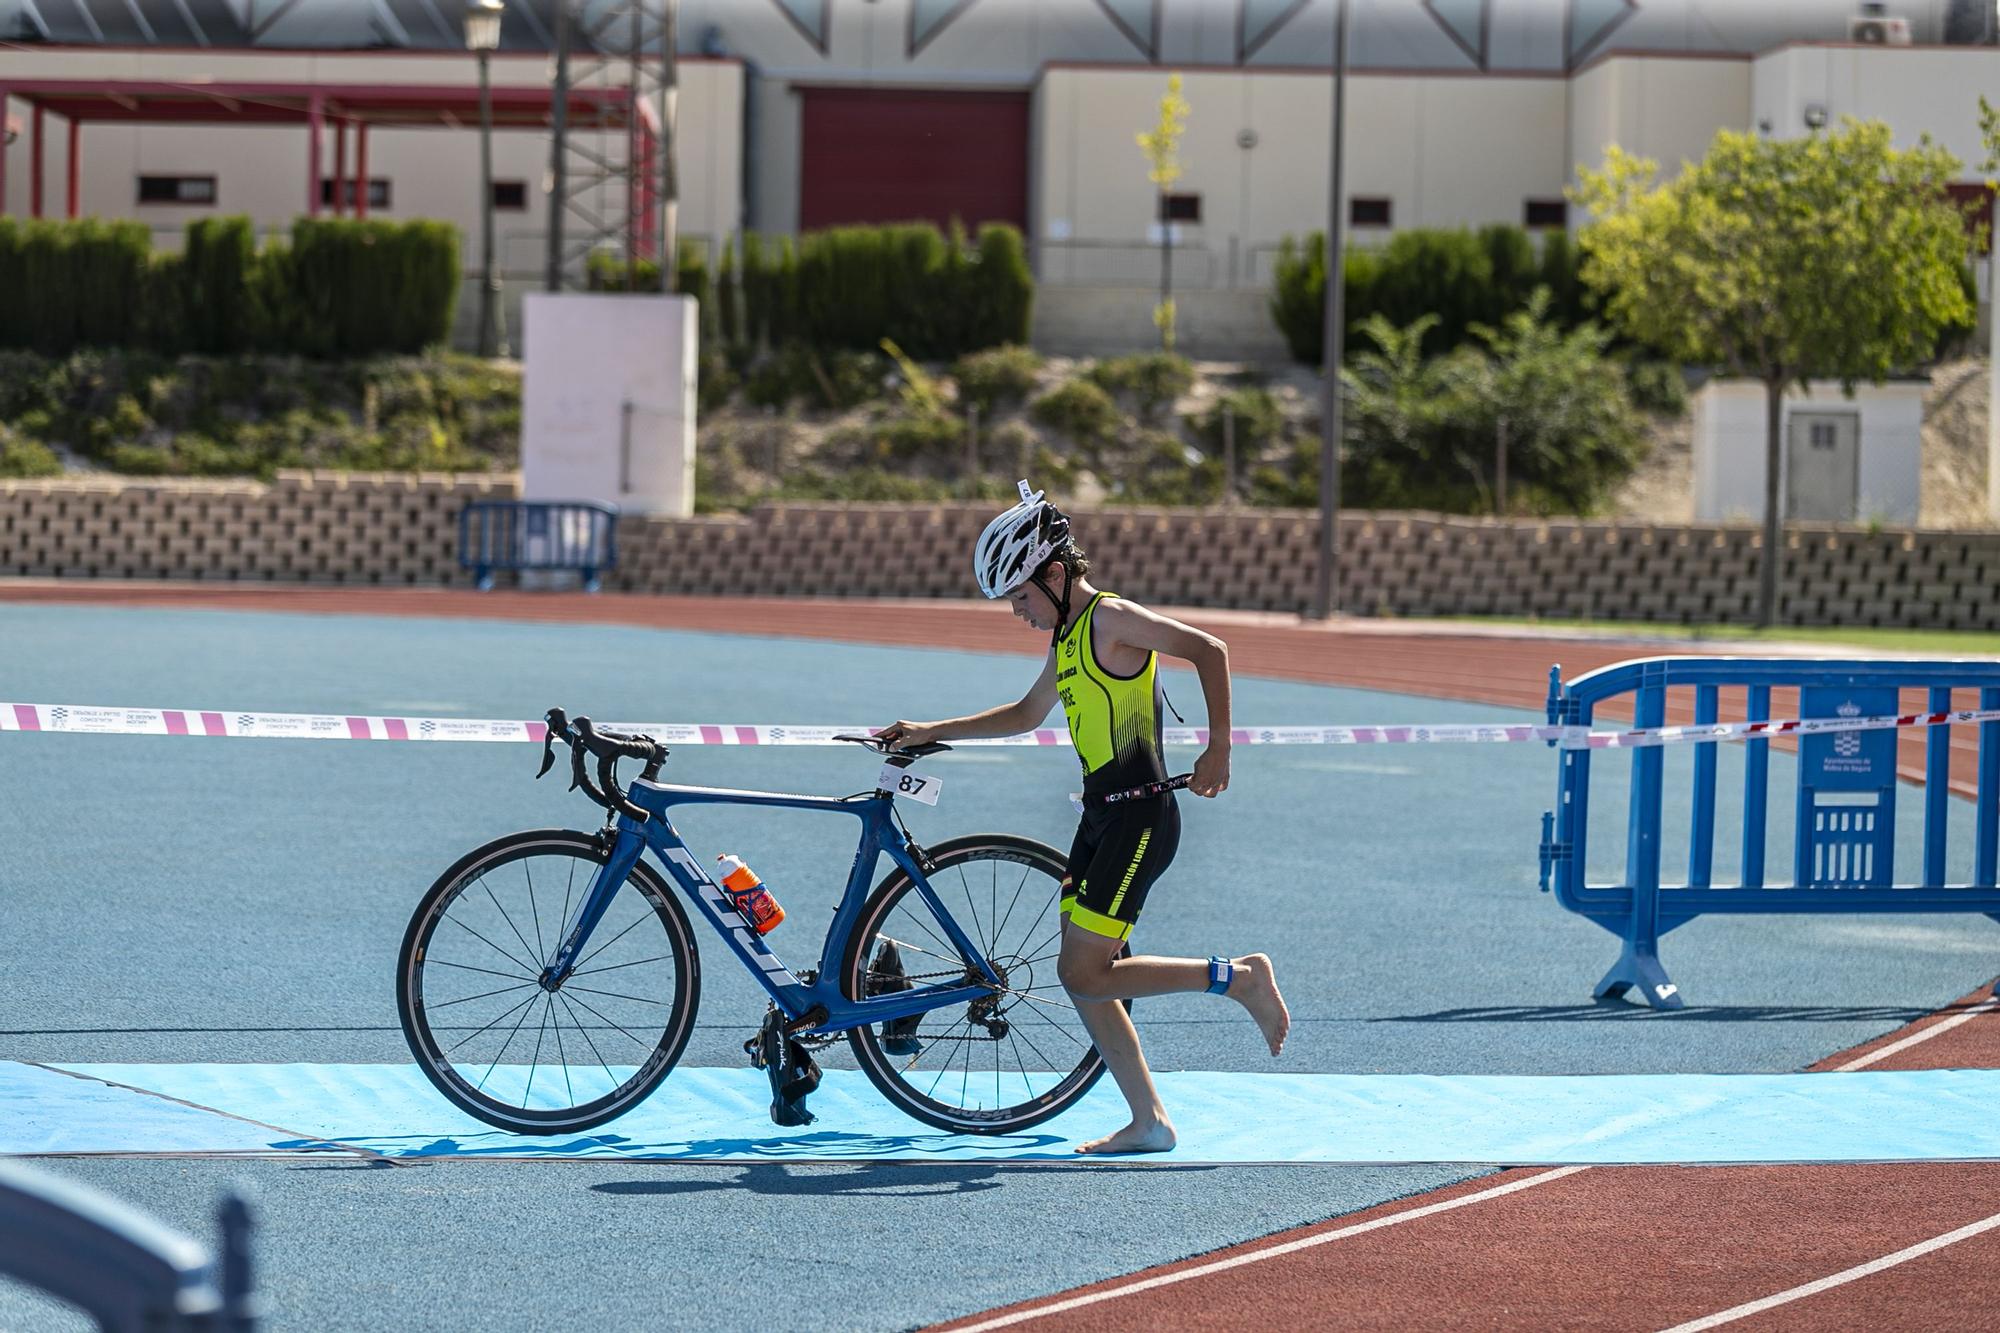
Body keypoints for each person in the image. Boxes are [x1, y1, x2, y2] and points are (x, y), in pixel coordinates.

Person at [876, 482, 1289, 1154]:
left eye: (1022, 595)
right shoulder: (1067, 639)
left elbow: (1210, 650)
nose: (1018, 611)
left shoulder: (1111, 619)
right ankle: (1149, 1119)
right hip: (1099, 819)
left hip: (1140, 819)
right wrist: (930, 729)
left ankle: (1238, 978)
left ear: (1058, 575)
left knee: (1085, 973)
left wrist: (1219, 746)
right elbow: (1024, 714)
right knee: (1086, 975)